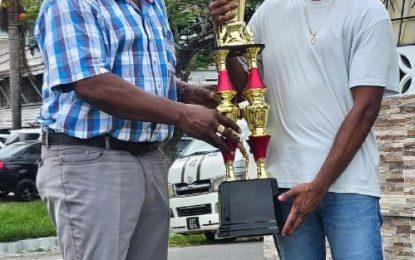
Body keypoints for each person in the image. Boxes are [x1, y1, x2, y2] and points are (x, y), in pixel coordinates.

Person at [34, 0, 240, 259]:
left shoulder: (154, 5)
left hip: (149, 158)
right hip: (91, 160)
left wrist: (183, 91)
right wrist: (180, 113)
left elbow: (135, 72)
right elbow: (91, 83)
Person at [210, 0, 399, 259]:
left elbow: (366, 108)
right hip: (287, 183)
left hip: (350, 185)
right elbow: (245, 87)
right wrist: (223, 31)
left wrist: (319, 185)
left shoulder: (367, 10)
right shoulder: (269, 11)